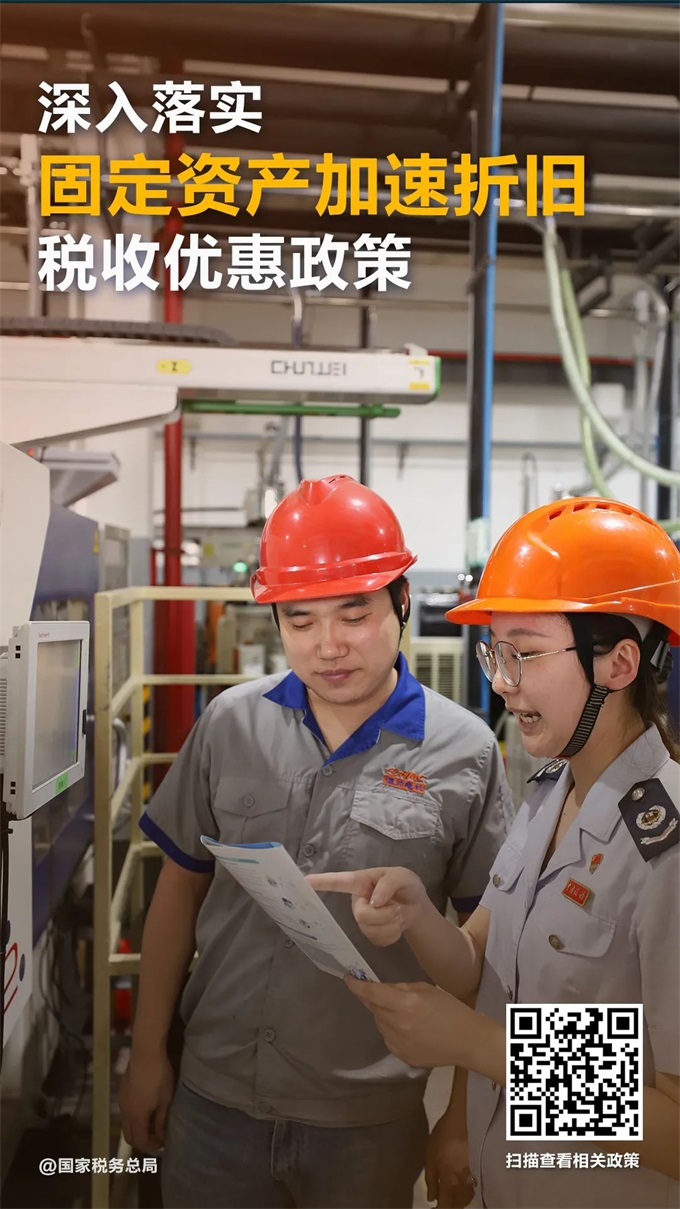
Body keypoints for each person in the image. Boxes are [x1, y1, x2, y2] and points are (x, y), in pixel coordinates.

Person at [119, 474, 513, 1209]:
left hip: (368, 1118)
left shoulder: (466, 751)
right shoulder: (230, 724)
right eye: (299, 621)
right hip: (216, 1098)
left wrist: (463, 1114)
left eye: (354, 614)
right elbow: (179, 888)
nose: (329, 646)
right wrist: (146, 1055)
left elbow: (494, 955)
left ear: (401, 600)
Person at [310, 497, 680, 1209]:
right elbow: (478, 963)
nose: (502, 682)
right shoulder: (548, 796)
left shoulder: (665, 848)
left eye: (525, 653)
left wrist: (478, 1046)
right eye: (496, 653)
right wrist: (418, 915)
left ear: (619, 663)